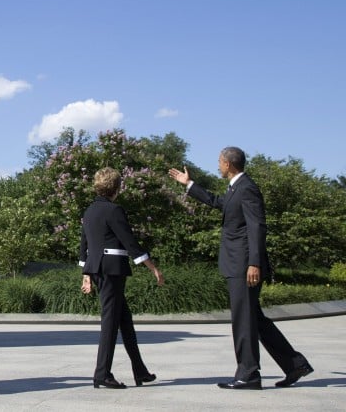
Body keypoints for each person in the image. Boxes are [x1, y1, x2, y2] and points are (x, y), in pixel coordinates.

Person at [169, 147, 313, 389]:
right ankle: (294, 364)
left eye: (219, 161)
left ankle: (248, 374)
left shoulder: (247, 188)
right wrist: (190, 184)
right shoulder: (236, 187)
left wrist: (254, 263)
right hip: (237, 262)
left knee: (243, 320)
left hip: (243, 264)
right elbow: (217, 202)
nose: (218, 165)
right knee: (254, 319)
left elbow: (257, 227)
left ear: (228, 165)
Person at [79, 167, 164, 389]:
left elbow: (84, 247)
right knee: (110, 322)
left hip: (98, 270)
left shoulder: (89, 211)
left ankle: (140, 370)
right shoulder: (114, 210)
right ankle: (102, 374)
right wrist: (152, 267)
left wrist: (86, 275)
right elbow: (129, 242)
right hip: (112, 270)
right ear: (116, 187)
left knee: (124, 320)